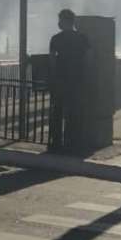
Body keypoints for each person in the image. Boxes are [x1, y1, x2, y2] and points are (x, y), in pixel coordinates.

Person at [48, 8, 92, 152]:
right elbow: (88, 59)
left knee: (57, 113)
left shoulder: (56, 39)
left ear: (63, 21)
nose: (58, 23)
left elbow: (52, 61)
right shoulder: (83, 38)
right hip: (78, 81)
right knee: (75, 113)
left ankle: (56, 143)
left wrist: (53, 78)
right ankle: (73, 142)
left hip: (61, 81)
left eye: (60, 20)